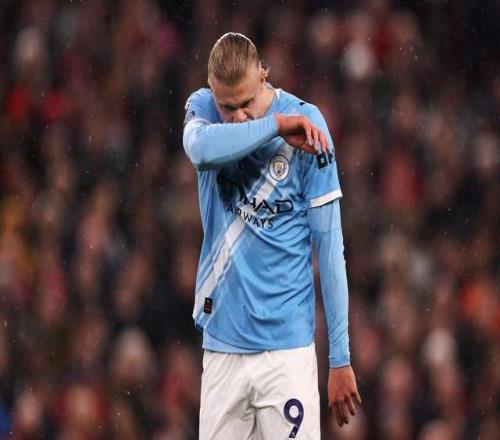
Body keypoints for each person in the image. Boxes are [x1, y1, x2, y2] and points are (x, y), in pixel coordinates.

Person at [183, 32, 361, 439]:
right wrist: (274, 127)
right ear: (212, 90)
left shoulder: (308, 123)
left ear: (263, 76)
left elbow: (330, 247)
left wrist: (339, 356)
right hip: (223, 346)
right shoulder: (203, 107)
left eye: (247, 103)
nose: (239, 116)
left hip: (286, 353)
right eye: (228, 107)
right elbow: (200, 151)